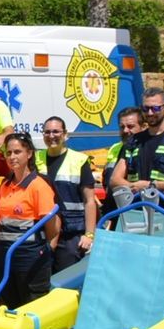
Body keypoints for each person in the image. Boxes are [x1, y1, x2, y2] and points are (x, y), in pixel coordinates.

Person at [0, 132, 60, 312]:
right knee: (10, 308)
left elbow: (51, 226)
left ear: (29, 154)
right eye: (9, 153)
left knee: (33, 309)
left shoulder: (39, 185)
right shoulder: (4, 186)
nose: (12, 157)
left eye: (17, 152)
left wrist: (46, 250)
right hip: (7, 257)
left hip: (31, 258)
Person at [35, 116, 98, 272]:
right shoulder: (36, 160)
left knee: (66, 281)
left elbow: (89, 201)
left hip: (72, 233)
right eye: (47, 132)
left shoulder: (79, 160)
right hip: (44, 231)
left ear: (65, 134)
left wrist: (89, 235)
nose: (51, 136)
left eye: (56, 131)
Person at [111, 87, 164, 195]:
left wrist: (153, 186)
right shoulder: (134, 140)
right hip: (136, 207)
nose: (150, 113)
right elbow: (115, 180)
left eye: (155, 108)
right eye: (145, 109)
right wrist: (133, 186)